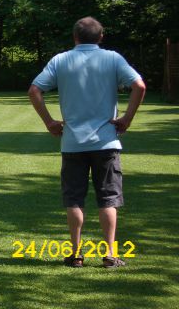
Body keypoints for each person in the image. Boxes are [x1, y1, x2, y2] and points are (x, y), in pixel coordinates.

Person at [28, 17, 146, 269]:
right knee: (108, 198)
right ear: (101, 36)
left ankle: (76, 254)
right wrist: (126, 118)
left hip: (72, 143)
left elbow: (34, 90)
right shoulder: (113, 58)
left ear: (75, 37)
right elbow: (139, 85)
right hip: (106, 143)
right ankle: (110, 255)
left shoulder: (60, 60)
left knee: (74, 199)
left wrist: (49, 122)